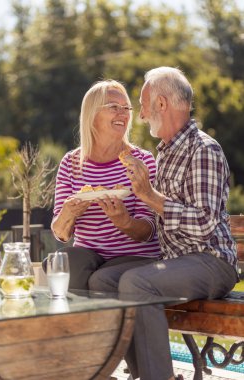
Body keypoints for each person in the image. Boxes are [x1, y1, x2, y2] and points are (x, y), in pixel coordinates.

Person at [88, 68, 239, 380]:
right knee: (102, 281)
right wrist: (126, 221)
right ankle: (149, 373)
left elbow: (205, 225)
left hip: (211, 262)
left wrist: (149, 194)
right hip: (176, 261)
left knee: (136, 283)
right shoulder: (166, 154)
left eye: (142, 105)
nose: (139, 115)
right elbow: (161, 224)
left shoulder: (203, 150)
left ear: (161, 104)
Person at [46, 79, 161, 289]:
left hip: (134, 256)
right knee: (64, 263)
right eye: (113, 107)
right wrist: (69, 213)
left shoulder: (142, 161)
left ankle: (97, 321)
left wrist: (124, 221)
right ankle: (72, 320)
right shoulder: (71, 162)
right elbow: (61, 233)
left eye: (126, 108)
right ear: (92, 114)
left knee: (100, 279)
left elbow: (149, 231)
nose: (123, 113)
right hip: (89, 256)